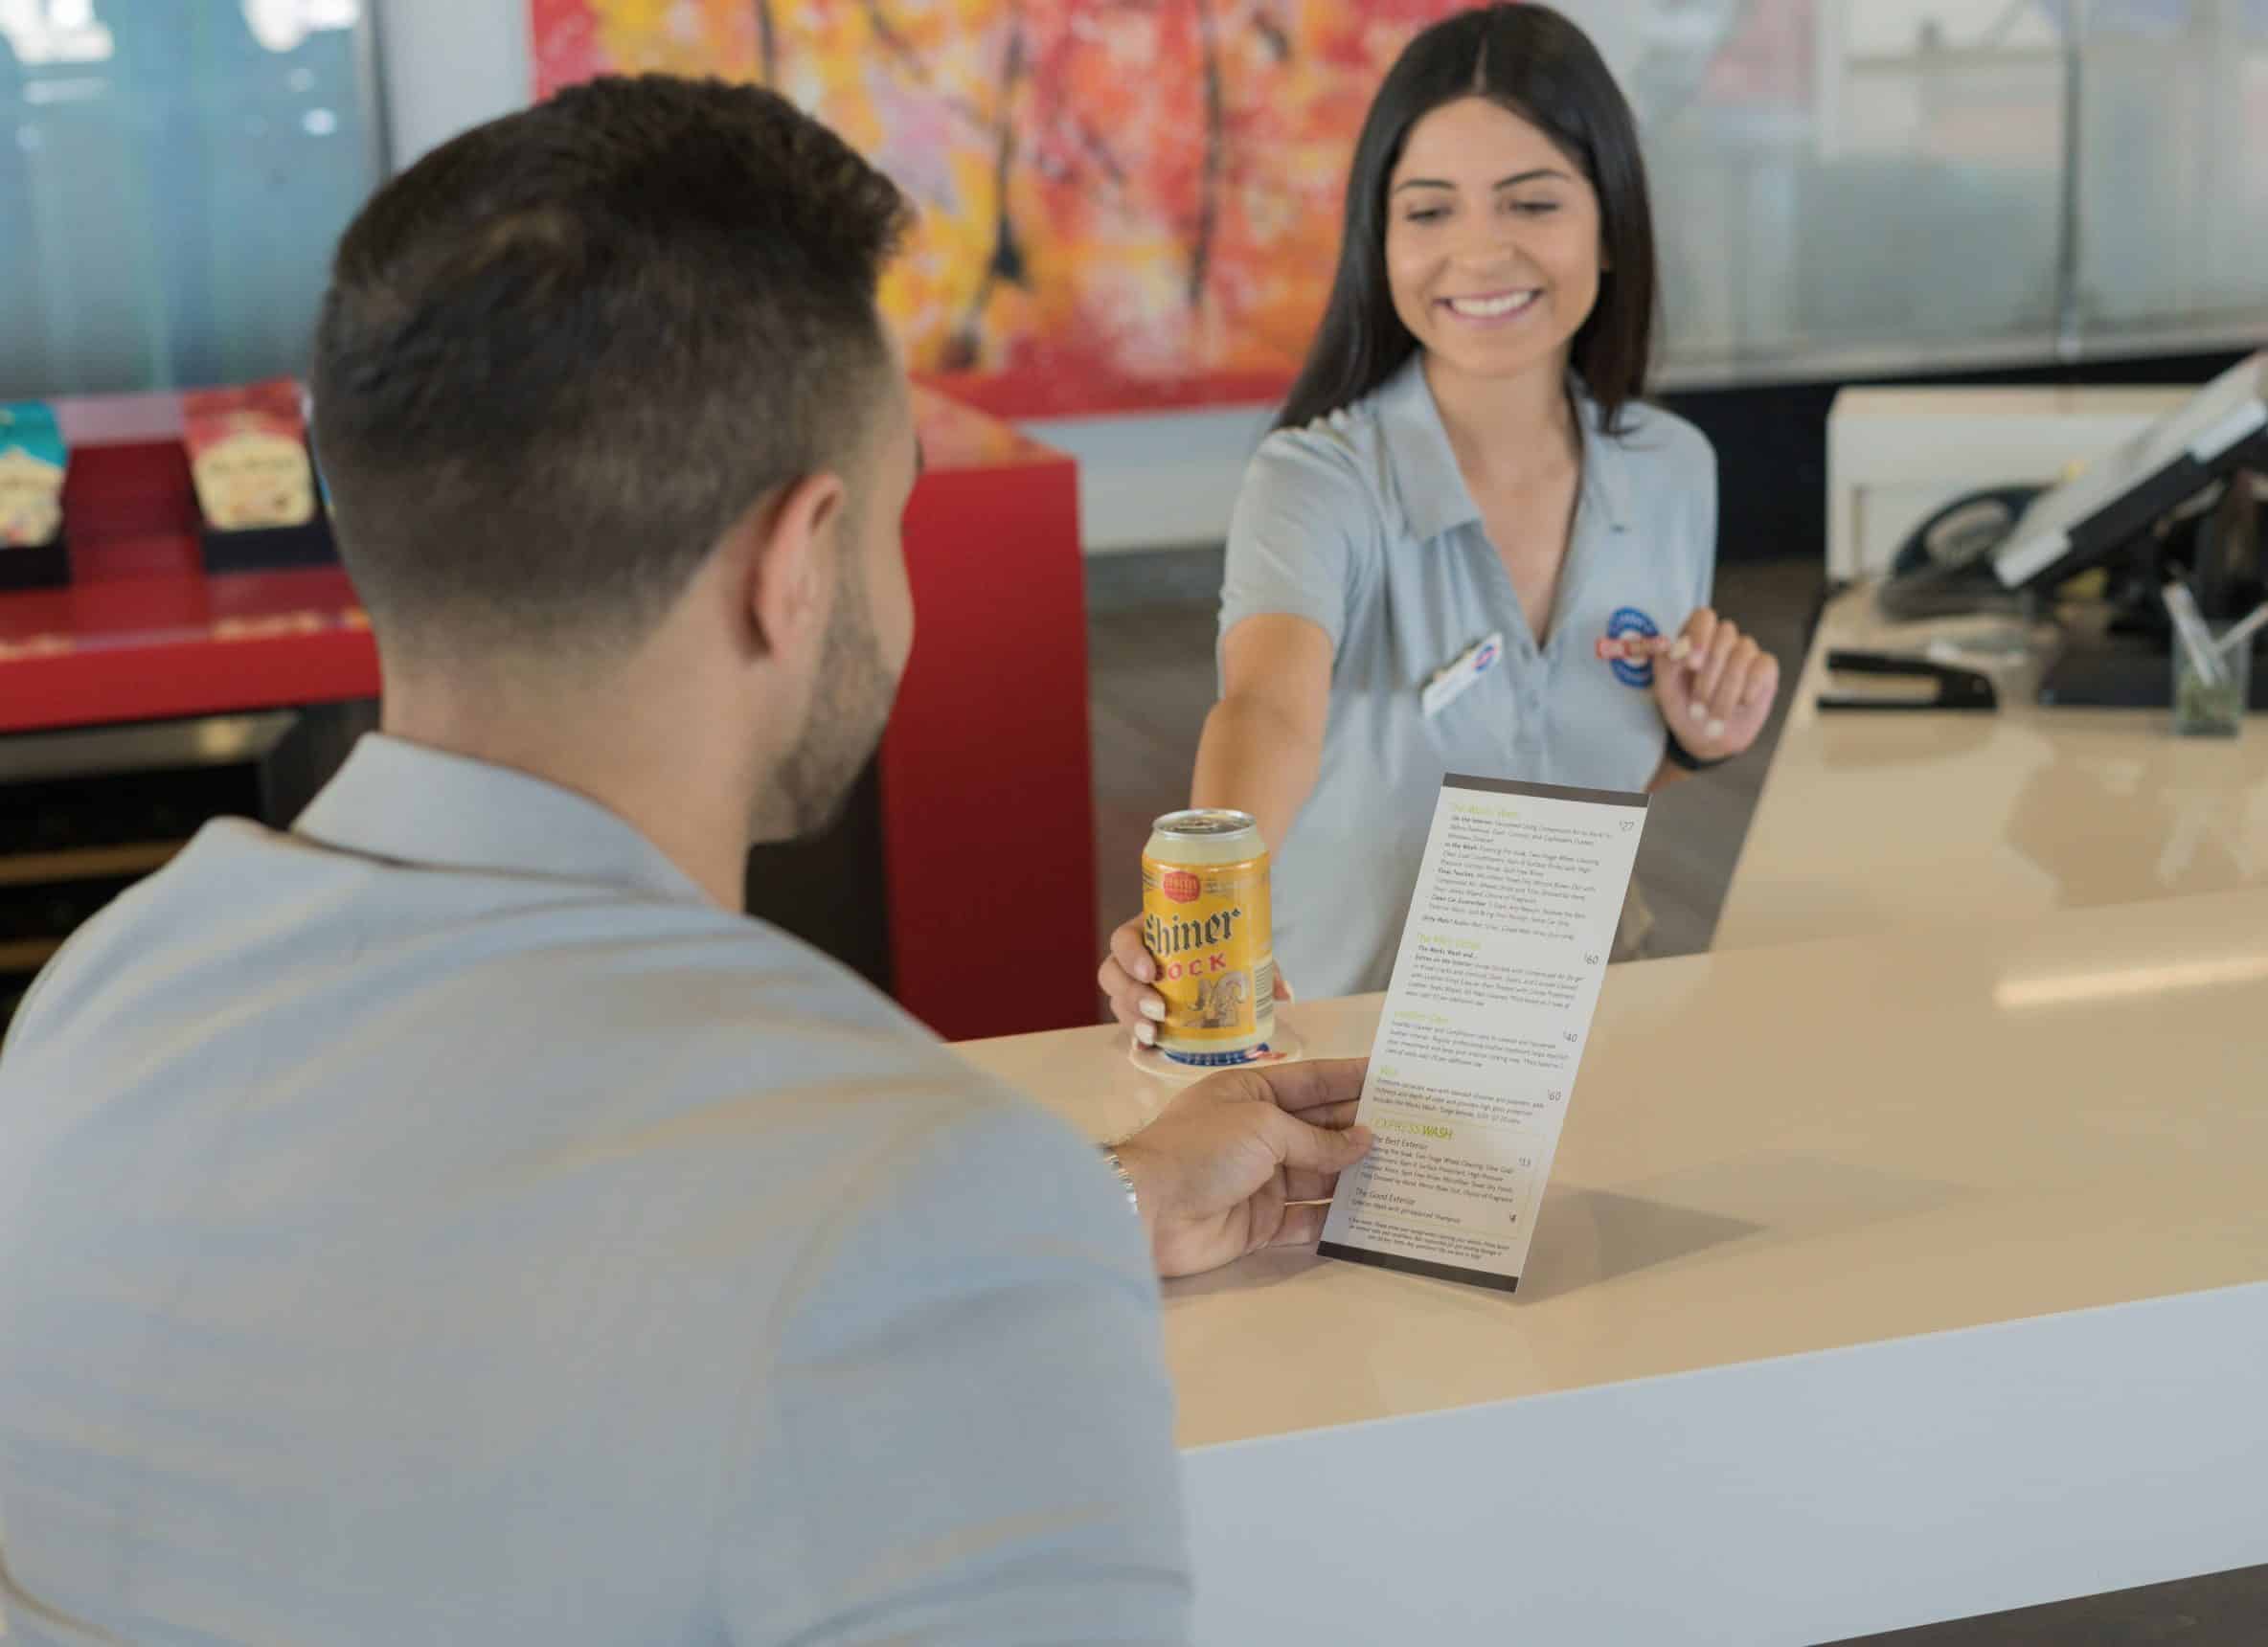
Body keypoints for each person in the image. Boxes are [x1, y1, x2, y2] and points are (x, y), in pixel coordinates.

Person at [0, 78, 1371, 1644]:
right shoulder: (909, 1185)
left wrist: (1097, 1206)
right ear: (796, 564)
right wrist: (1026, 1236)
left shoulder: (91, 1008)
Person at [1102, 2, 1780, 1030]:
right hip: (1360, 1053)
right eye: (1429, 212)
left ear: (1610, 228)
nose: (1479, 251)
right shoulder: (1315, 480)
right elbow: (1266, 710)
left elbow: (1561, 754)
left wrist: (1691, 746)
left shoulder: (1671, 469)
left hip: (1595, 1014)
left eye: (1531, 203)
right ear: (1382, 243)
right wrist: (1205, 889)